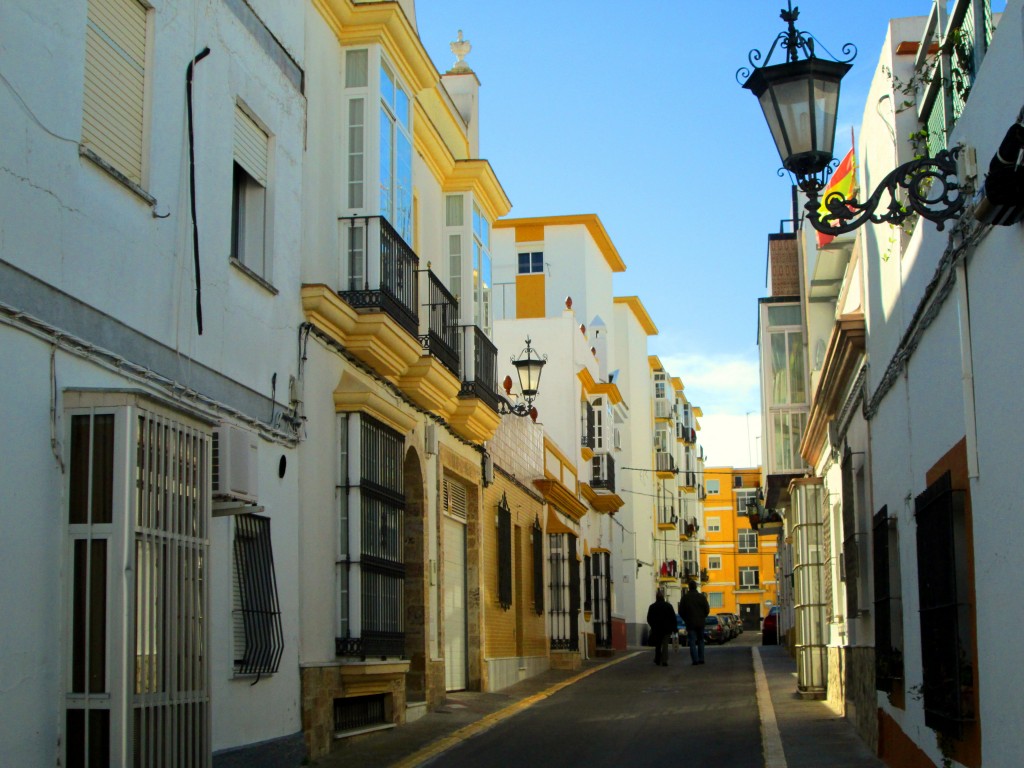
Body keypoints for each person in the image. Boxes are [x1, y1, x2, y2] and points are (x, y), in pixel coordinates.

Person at [678, 579, 710, 666]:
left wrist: (686, 619)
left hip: (690, 623)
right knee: (700, 640)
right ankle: (701, 658)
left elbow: (680, 611)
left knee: (692, 641)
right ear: (696, 587)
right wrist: (703, 617)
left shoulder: (685, 598)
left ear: (689, 587)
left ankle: (695, 660)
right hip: (700, 622)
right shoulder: (702, 597)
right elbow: (707, 610)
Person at [646, 590, 677, 666]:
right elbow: (673, 617)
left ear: (656, 597)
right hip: (667, 629)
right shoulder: (668, 606)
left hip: (656, 629)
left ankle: (657, 659)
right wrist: (674, 628)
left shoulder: (652, 606)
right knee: (665, 645)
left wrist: (653, 626)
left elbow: (649, 618)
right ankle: (664, 660)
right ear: (663, 597)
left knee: (658, 645)